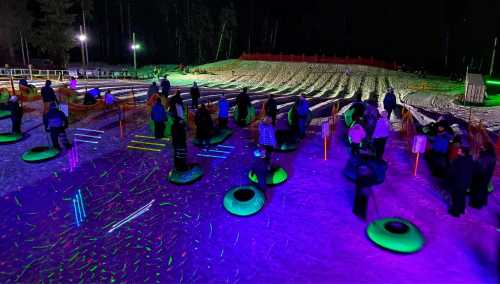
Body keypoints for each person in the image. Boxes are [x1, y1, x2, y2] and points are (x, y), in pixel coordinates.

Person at [447, 146, 473, 217]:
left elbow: (452, 172)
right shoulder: (470, 160)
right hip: (466, 182)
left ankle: (455, 212)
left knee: (456, 196)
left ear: (463, 153)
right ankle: (461, 209)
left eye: (459, 151)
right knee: (462, 196)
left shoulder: (458, 161)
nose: (458, 152)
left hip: (458, 182)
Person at [470, 141, 496, 209]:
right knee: (484, 189)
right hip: (487, 175)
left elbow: (480, 166)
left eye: (483, 146)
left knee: (478, 190)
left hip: (481, 176)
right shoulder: (492, 155)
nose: (482, 147)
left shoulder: (484, 156)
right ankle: (483, 201)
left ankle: (476, 204)